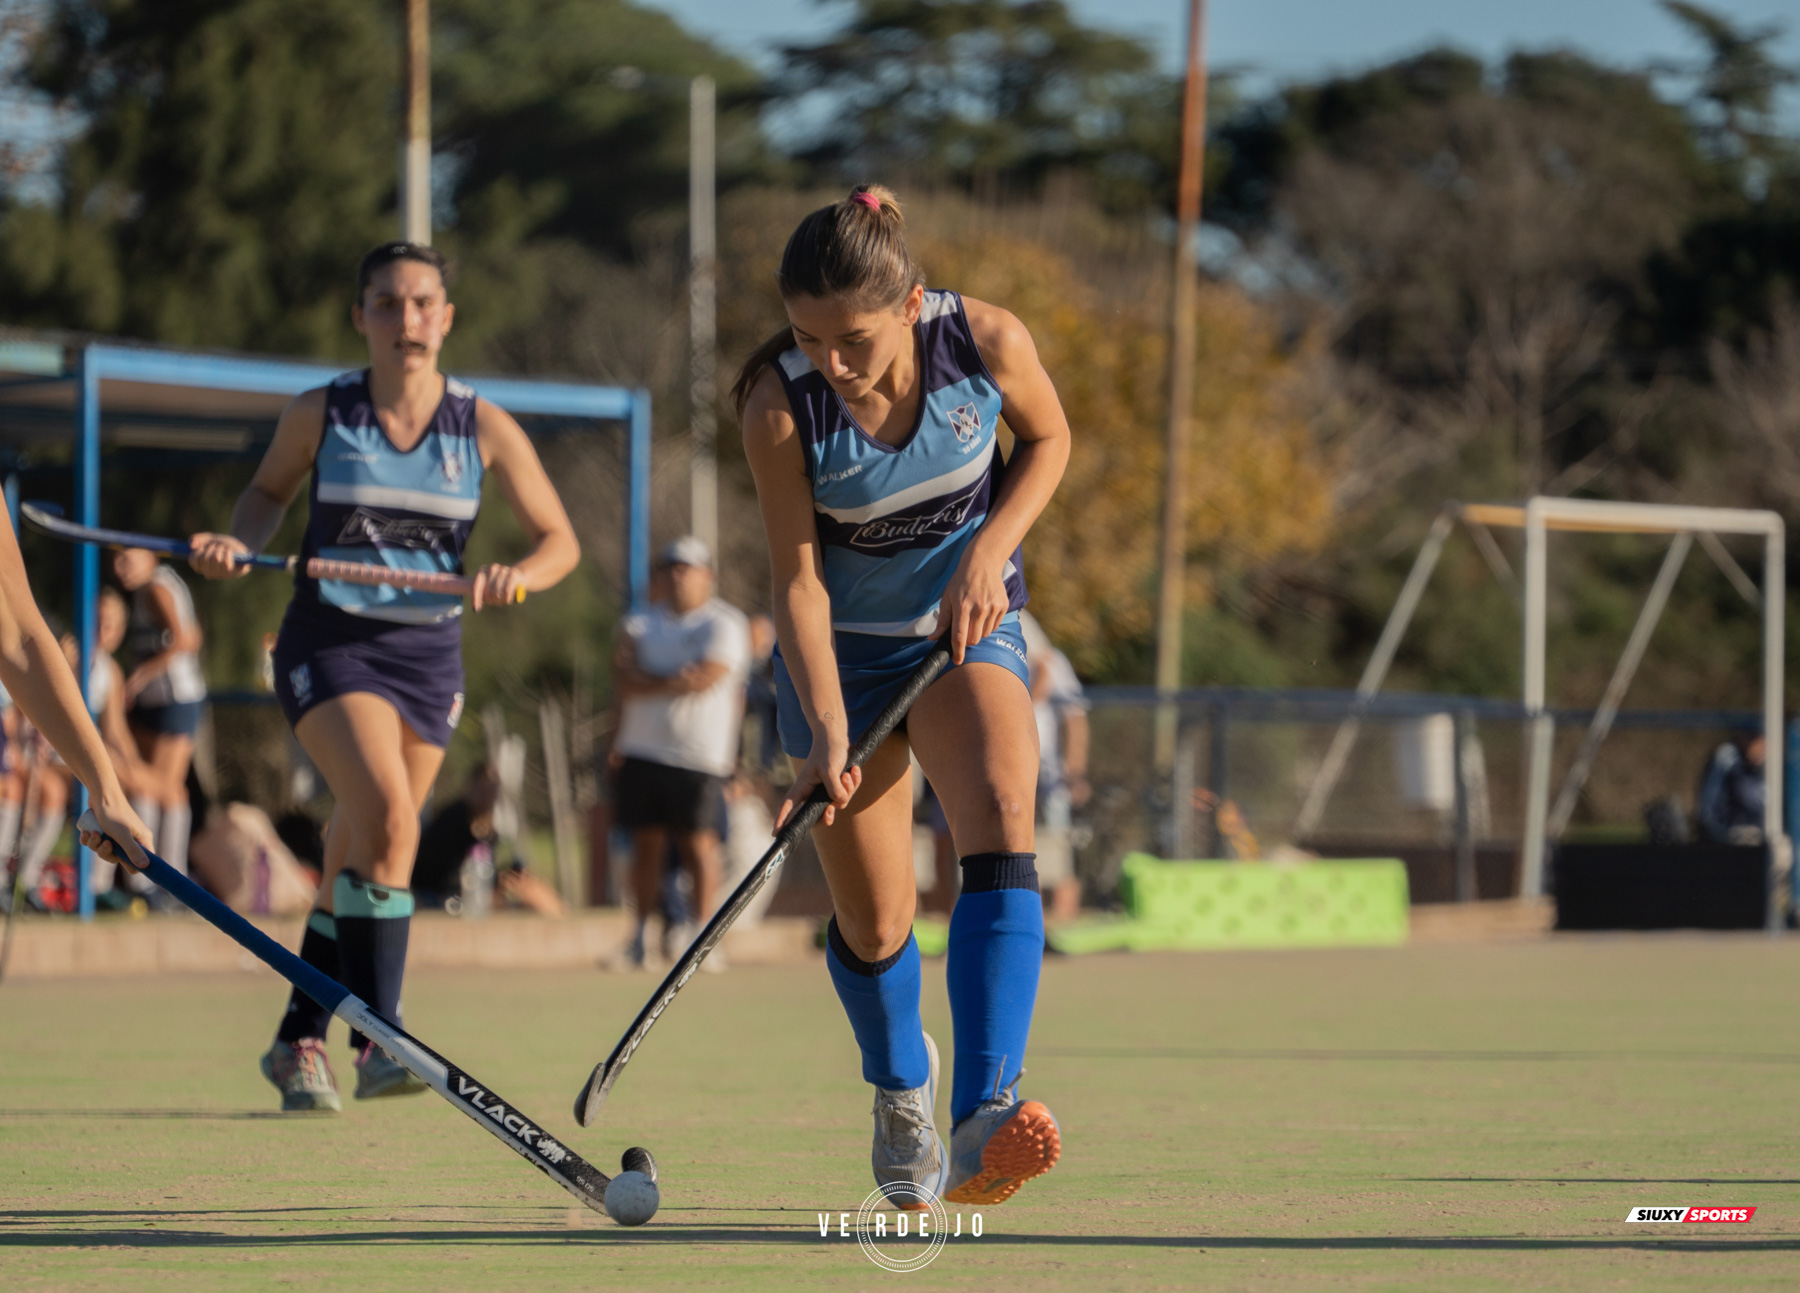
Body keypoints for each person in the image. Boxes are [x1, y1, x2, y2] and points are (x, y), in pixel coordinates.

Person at [734, 185, 1071, 1208]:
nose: (833, 363)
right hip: (842, 659)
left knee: (1002, 814)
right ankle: (901, 1088)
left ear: (912, 304)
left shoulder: (987, 342)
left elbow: (1049, 442)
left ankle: (982, 1115)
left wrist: (989, 554)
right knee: (878, 921)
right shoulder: (779, 406)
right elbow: (797, 581)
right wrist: (826, 731)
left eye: (855, 340)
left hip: (964, 630)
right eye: (809, 337)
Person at [188, 240, 579, 1113]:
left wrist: (519, 575)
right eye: (388, 303)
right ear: (360, 316)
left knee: (355, 848)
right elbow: (266, 495)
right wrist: (238, 541)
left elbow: (560, 542)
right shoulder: (322, 412)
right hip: (330, 643)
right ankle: (381, 1038)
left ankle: (298, 1037)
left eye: (423, 302)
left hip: (429, 658)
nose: (407, 319)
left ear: (447, 317)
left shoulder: (481, 425)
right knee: (393, 823)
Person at [610, 536, 750, 967]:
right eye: (670, 567)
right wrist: (675, 679)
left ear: (708, 576)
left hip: (701, 755)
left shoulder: (726, 623)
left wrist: (647, 680)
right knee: (645, 846)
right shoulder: (638, 622)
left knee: (699, 845)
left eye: (686, 568)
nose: (677, 576)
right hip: (641, 750)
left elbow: (706, 677)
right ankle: (639, 938)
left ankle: (702, 940)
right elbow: (622, 678)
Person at [112, 546, 207, 881]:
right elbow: (192, 635)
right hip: (157, 702)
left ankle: (169, 878)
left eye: (127, 558)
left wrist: (138, 677)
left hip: (174, 699)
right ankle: (154, 878)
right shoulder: (151, 588)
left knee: (164, 787)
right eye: (116, 559)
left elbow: (184, 640)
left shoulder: (156, 587)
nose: (119, 566)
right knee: (156, 788)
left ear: (151, 557)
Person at [1019, 611, 1088, 921]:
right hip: (1016, 765)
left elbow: (1075, 718)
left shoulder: (1053, 662)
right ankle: (1029, 912)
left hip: (1049, 771)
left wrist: (1075, 772)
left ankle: (1062, 914)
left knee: (1059, 835)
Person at [1697, 731, 1766, 845]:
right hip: (1728, 841)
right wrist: (1726, 836)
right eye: (1755, 739)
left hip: (1765, 841)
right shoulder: (1727, 759)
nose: (1761, 746)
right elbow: (1708, 812)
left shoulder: (1780, 765)